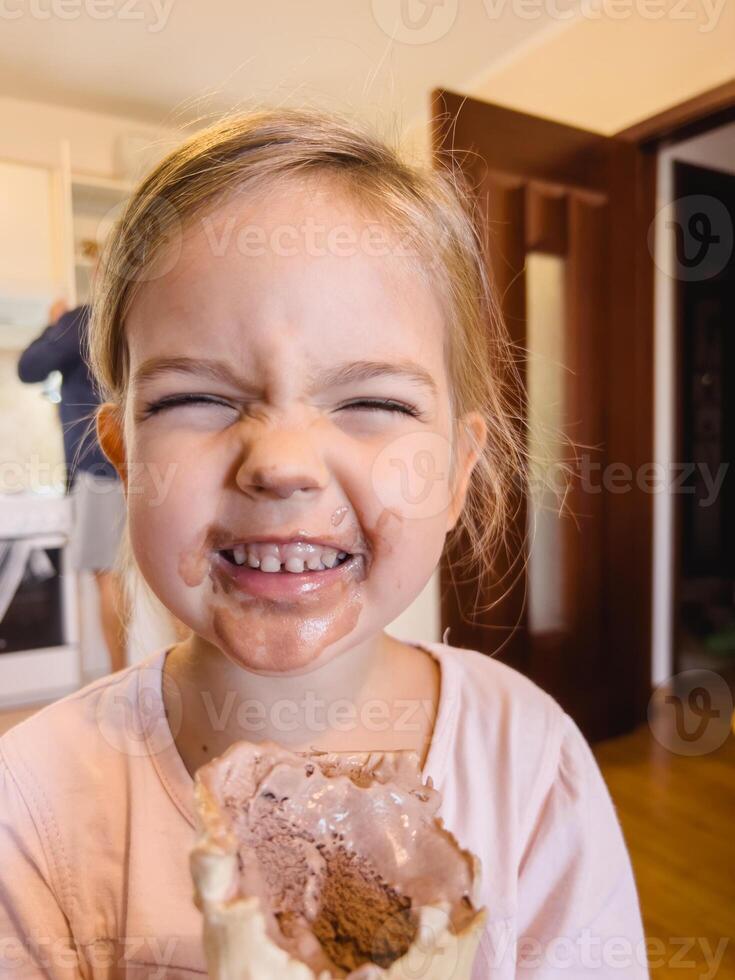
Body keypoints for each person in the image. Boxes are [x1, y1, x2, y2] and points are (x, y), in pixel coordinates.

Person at [0, 108, 649, 979]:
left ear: (458, 471)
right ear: (124, 456)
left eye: (373, 403)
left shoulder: (530, 761)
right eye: (197, 398)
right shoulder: (31, 805)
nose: (281, 465)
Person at [16, 280, 129, 674]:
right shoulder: (135, 318)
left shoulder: (82, 319)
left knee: (108, 576)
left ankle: (120, 682)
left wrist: (54, 323)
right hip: (146, 466)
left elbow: (28, 368)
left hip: (101, 467)